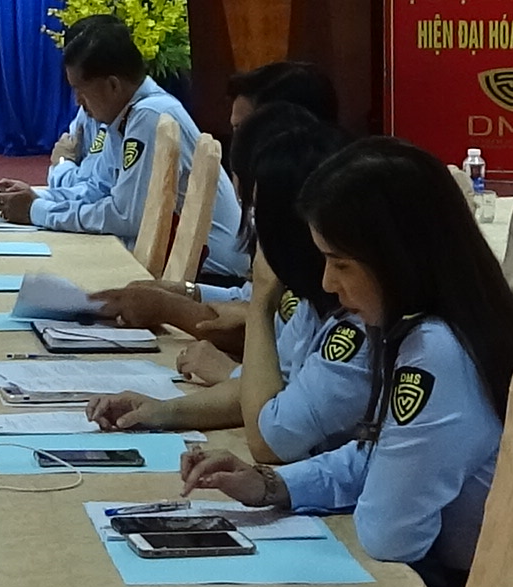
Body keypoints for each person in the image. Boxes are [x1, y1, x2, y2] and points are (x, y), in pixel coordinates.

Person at [175, 139, 513, 587]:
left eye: (340, 263)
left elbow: (389, 534)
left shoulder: (437, 350)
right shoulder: (444, 322)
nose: (326, 282)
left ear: (398, 257)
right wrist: (273, 484)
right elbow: (384, 453)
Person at [90, 111, 350, 442]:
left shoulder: (349, 319)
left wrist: (258, 306)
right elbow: (275, 388)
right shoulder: (313, 305)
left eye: (258, 216)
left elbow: (272, 436)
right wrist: (158, 411)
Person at [0, 16, 245, 281]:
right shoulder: (124, 117)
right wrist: (37, 198)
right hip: (176, 264)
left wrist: (37, 211)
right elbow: (97, 190)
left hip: (210, 275)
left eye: (80, 90)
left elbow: (125, 217)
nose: (77, 102)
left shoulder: (150, 117)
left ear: (113, 85)